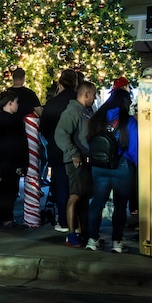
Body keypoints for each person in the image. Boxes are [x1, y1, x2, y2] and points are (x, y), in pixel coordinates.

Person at [85, 87, 136, 253]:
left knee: (97, 203)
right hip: (122, 166)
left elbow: (89, 143)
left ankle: (92, 239)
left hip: (99, 166)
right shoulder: (129, 121)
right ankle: (117, 242)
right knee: (120, 205)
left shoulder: (96, 119)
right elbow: (135, 148)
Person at [55, 80, 97, 248]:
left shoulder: (86, 111)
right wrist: (74, 154)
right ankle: (72, 234)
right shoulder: (72, 112)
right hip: (76, 161)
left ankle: (82, 231)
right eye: (93, 95)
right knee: (76, 195)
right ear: (85, 94)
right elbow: (60, 134)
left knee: (83, 196)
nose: (95, 98)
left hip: (85, 160)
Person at [39, 69, 82, 232]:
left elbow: (43, 128)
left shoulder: (52, 103)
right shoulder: (78, 102)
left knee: (62, 186)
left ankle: (64, 220)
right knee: (77, 187)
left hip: (56, 150)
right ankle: (78, 221)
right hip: (77, 150)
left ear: (60, 83)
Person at [0, 89, 27, 228]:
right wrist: (21, 163)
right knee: (10, 191)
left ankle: (0, 217)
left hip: (3, 159)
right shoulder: (13, 121)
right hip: (12, 160)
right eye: (16, 102)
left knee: (3, 191)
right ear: (10, 103)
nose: (17, 105)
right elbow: (18, 143)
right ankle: (7, 218)